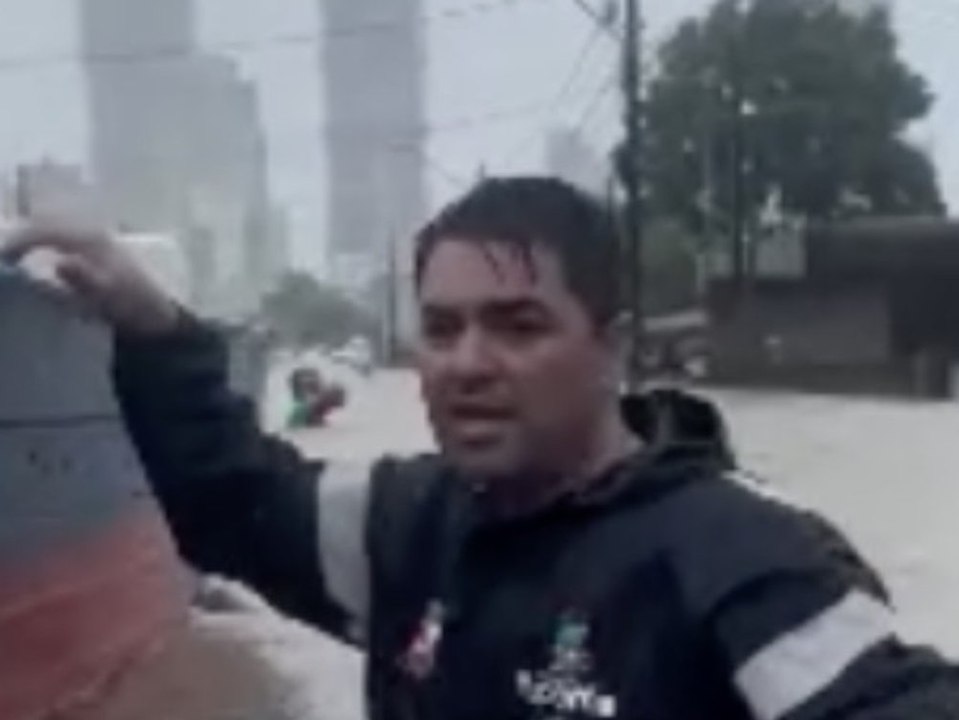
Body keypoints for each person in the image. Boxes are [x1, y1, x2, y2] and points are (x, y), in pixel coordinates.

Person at [5, 178, 958, 720]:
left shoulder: (744, 559)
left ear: (610, 347)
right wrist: (152, 324)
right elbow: (227, 497)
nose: (469, 363)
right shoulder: (402, 523)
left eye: (517, 325)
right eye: (442, 327)